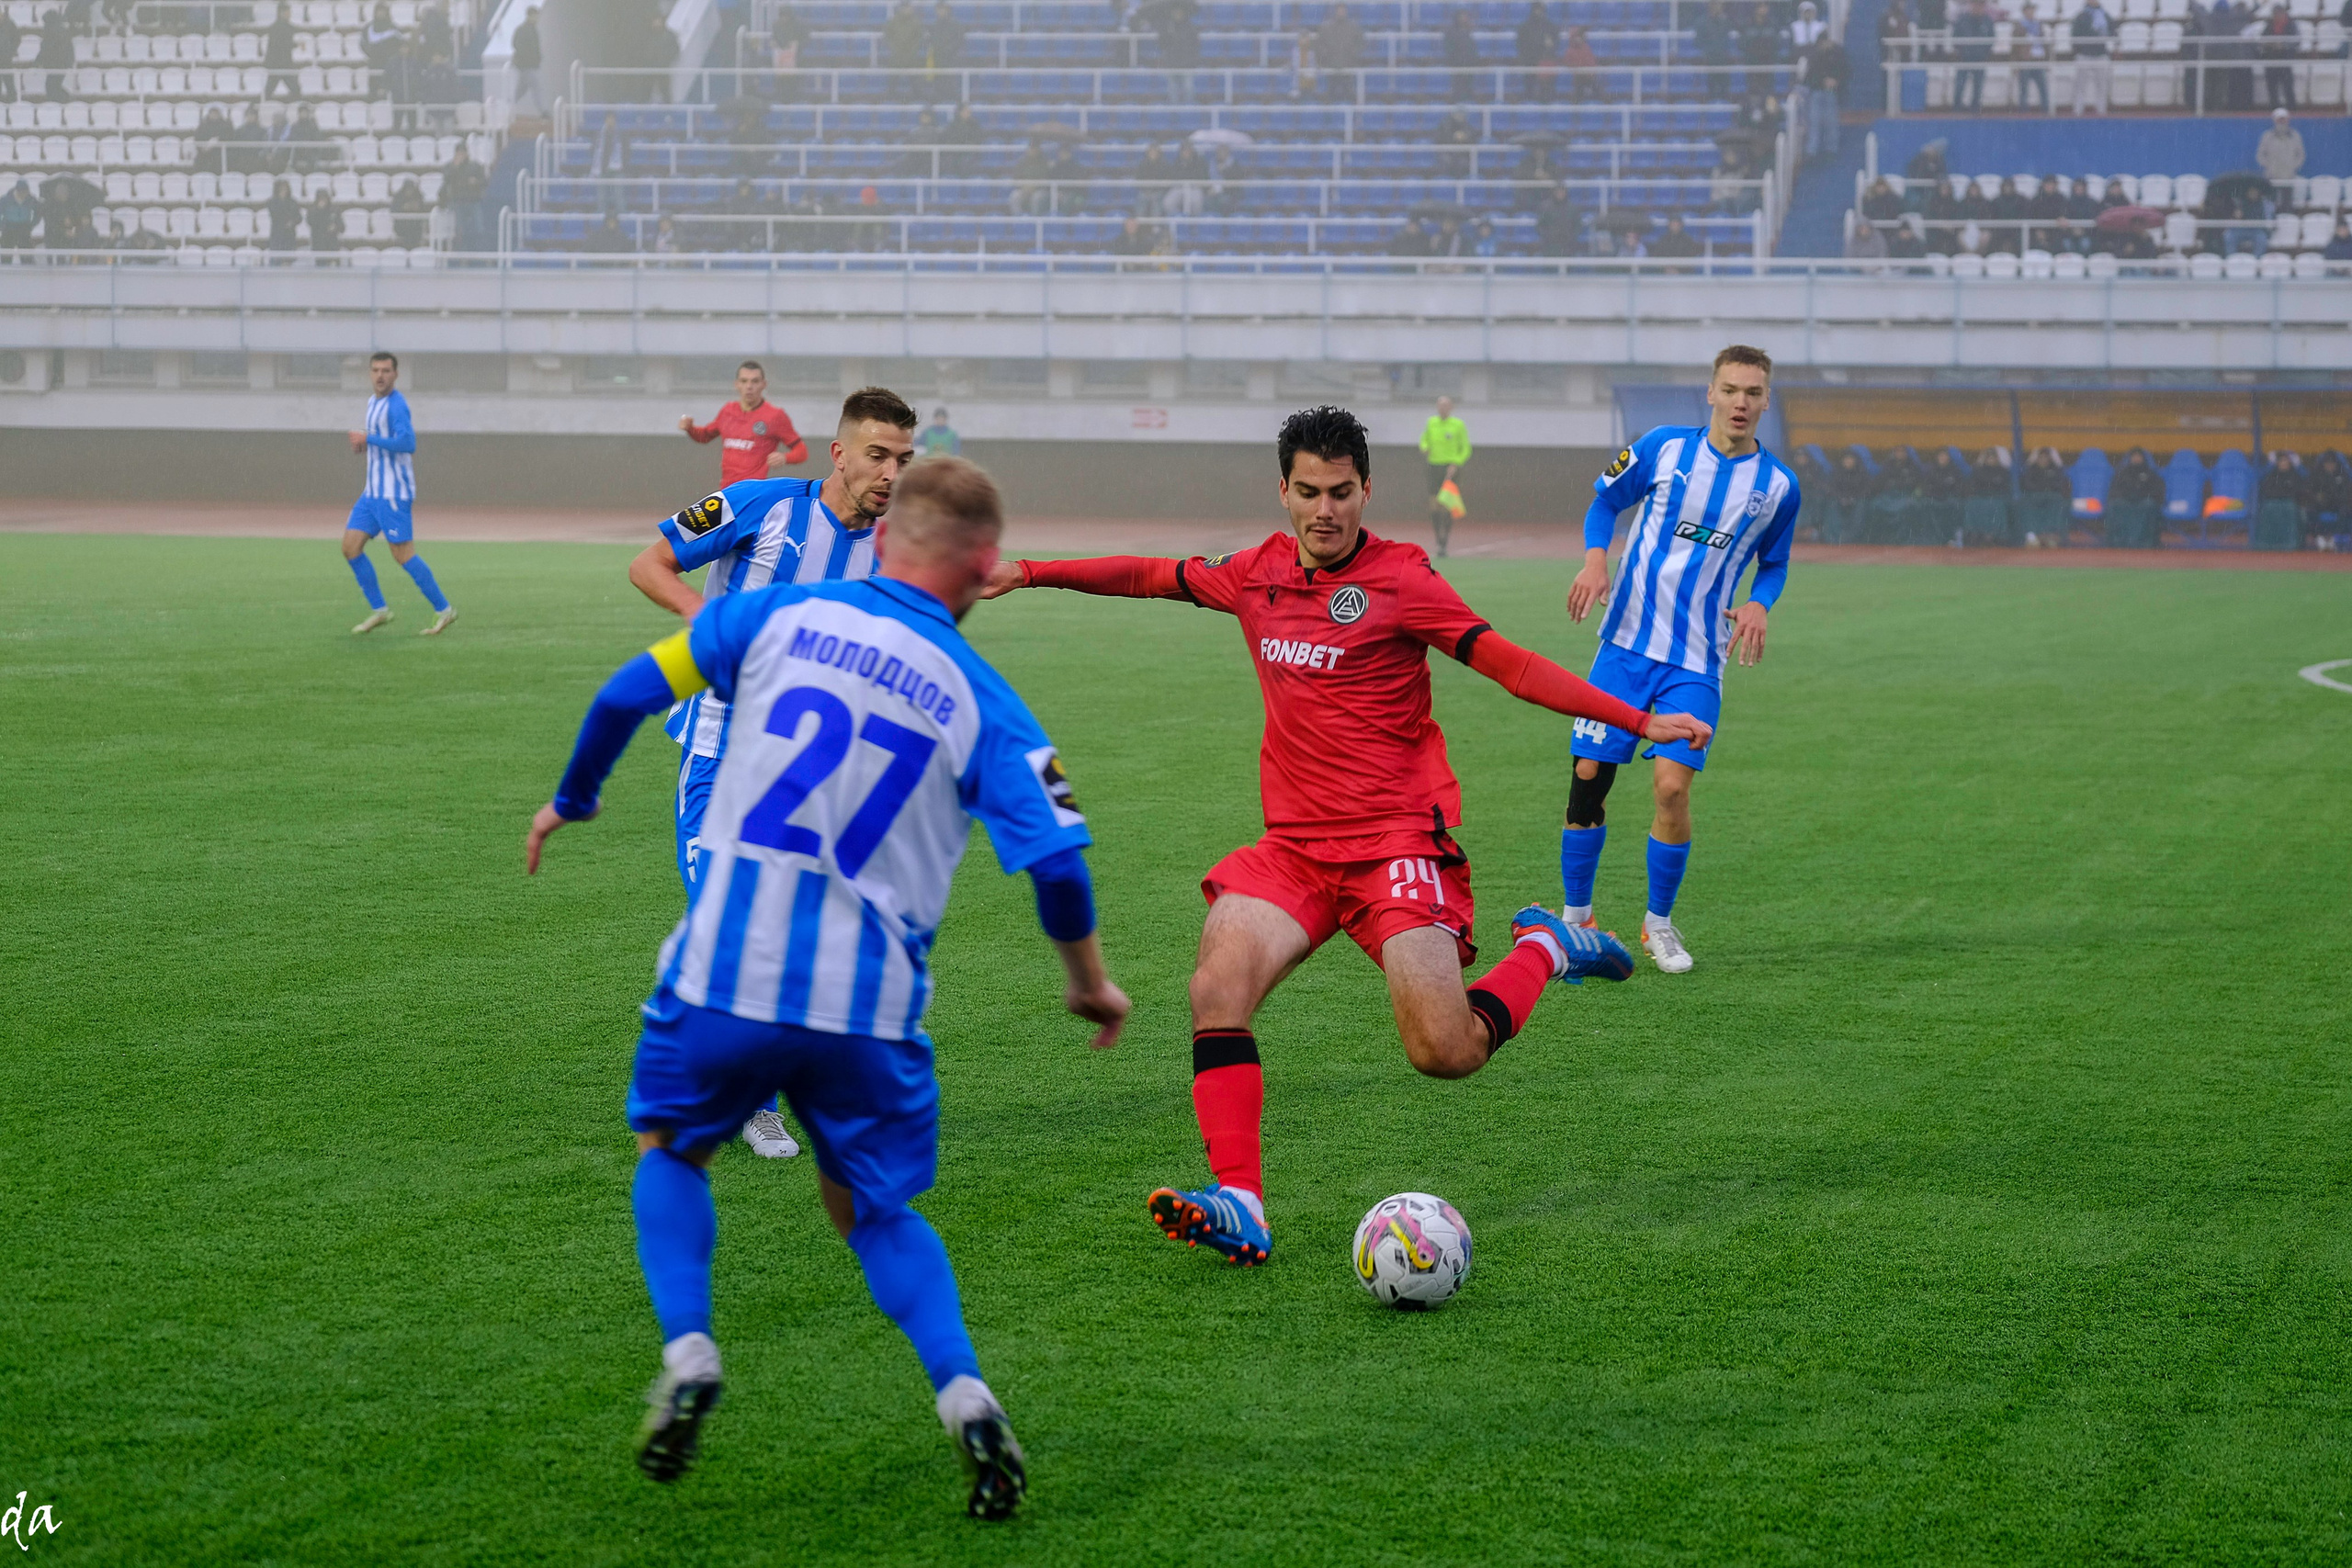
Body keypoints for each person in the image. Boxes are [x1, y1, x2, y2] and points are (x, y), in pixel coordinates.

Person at [525, 456, 1128, 1516]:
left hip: (725, 977)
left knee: (671, 1149)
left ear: (886, 538)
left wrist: (572, 800)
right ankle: (965, 1395)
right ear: (986, 570)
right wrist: (1089, 984)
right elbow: (1058, 863)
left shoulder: (770, 616)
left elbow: (625, 694)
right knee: (876, 1212)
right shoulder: (988, 702)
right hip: (868, 1012)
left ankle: (691, 1350)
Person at [979, 407, 1713, 1266]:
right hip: (1295, 849)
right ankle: (1241, 1200)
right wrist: (1027, 572)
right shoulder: (1255, 572)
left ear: (1367, 489)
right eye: (1308, 492)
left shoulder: (1403, 579)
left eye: (1340, 492)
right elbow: (1148, 574)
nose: (1324, 510)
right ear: (1283, 491)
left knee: (1445, 1051)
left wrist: (1636, 720)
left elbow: (1510, 665)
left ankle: (1545, 946)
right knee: (1217, 986)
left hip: (1396, 843)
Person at [628, 388, 921, 1157]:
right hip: (721, 750)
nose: (890, 473)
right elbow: (649, 563)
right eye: (877, 455)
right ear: (839, 452)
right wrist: (709, 622)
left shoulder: (893, 550)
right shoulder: (762, 504)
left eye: (902, 459)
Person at [1559, 346, 1796, 973]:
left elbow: (1774, 563)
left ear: (1766, 401)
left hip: (1695, 661)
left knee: (1671, 788)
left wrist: (1760, 603)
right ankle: (1576, 921)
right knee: (1589, 775)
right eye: (1731, 389)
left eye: (1753, 392)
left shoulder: (1777, 487)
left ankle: (1658, 924)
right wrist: (1595, 559)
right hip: (1625, 647)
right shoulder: (1664, 447)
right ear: (1710, 393)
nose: (1741, 402)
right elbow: (1604, 502)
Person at [343, 353, 456, 637]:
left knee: (403, 555)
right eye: (375, 370)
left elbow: (408, 442)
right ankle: (380, 610)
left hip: (392, 493)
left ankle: (444, 610)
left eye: (386, 370)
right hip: (372, 492)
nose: (380, 375)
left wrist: (369, 438)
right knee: (350, 547)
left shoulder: (397, 405)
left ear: (395, 375)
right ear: (370, 374)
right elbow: (384, 441)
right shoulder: (373, 402)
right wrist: (365, 444)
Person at [680, 360, 808, 486]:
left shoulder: (775, 415)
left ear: (764, 384)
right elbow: (705, 436)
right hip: (727, 489)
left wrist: (785, 458)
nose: (749, 386)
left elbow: (801, 452)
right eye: (744, 381)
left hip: (754, 490)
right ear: (736, 384)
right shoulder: (727, 411)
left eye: (755, 381)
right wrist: (690, 428)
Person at [1419, 395, 1471, 556]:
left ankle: (1444, 541)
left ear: (1451, 408)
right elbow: (1424, 440)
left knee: (1447, 504)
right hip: (1434, 466)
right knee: (1434, 504)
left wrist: (1456, 463)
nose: (1443, 409)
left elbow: (1466, 449)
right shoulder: (1431, 422)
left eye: (1446, 406)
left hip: (1450, 468)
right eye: (1440, 406)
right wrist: (1425, 447)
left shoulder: (1458, 425)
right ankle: (1438, 538)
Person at [1801, 28, 1849, 158]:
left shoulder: (1837, 54)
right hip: (1817, 92)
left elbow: (1845, 71)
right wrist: (1822, 81)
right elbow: (1809, 76)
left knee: (1831, 122)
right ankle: (1812, 150)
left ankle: (1831, 148)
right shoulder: (1814, 55)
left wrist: (1836, 81)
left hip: (1831, 92)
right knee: (1814, 122)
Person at [2069, 0, 2112, 112]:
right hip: (2084, 54)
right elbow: (2074, 34)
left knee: (2102, 85)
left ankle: (2101, 110)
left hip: (2100, 54)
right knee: (2080, 84)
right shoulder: (2081, 16)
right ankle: (2078, 110)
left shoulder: (2105, 15)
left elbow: (2113, 31)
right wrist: (2078, 50)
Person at [1952, 0, 1994, 109]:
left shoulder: (1987, 21)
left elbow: (1992, 38)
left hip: (1980, 57)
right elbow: (1955, 36)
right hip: (1964, 56)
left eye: (1980, 5)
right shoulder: (1962, 20)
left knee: (1978, 83)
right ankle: (1957, 106)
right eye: (1975, 4)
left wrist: (1985, 51)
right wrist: (1961, 50)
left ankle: (1975, 106)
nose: (1977, 7)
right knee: (1960, 82)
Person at [2262, 3, 2300, 107]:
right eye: (2275, 14)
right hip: (2271, 58)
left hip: (2285, 59)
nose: (2276, 16)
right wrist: (2271, 44)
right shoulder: (2269, 25)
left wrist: (2283, 45)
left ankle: (2292, 107)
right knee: (2272, 85)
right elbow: (2263, 38)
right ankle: (2274, 107)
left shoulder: (2291, 25)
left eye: (2278, 13)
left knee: (2287, 85)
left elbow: (2296, 41)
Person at [2013, 2, 2050, 111]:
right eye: (2028, 10)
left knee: (2043, 87)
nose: (2031, 12)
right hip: (2025, 60)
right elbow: (2015, 47)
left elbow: (2044, 43)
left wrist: (2046, 60)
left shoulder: (2039, 25)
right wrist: (2015, 64)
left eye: (2032, 10)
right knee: (2023, 88)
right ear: (2024, 12)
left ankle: (2045, 109)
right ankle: (2023, 111)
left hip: (2038, 59)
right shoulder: (2019, 27)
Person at [2258, 107, 2305, 185]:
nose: (2281, 121)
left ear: (2287, 120)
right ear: (2274, 120)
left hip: (2289, 176)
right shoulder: (2267, 136)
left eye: (2283, 119)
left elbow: (2301, 155)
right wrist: (2269, 166)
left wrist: (2292, 166)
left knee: (2288, 192)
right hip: (2271, 176)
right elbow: (2260, 155)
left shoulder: (2295, 136)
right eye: (2279, 119)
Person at [511, 6, 543, 114]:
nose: (537, 18)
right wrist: (528, 57)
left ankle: (509, 105)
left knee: (522, 88)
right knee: (536, 86)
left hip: (529, 65)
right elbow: (517, 45)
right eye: (536, 16)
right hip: (526, 65)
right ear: (530, 16)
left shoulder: (532, 30)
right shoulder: (523, 30)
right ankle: (542, 111)